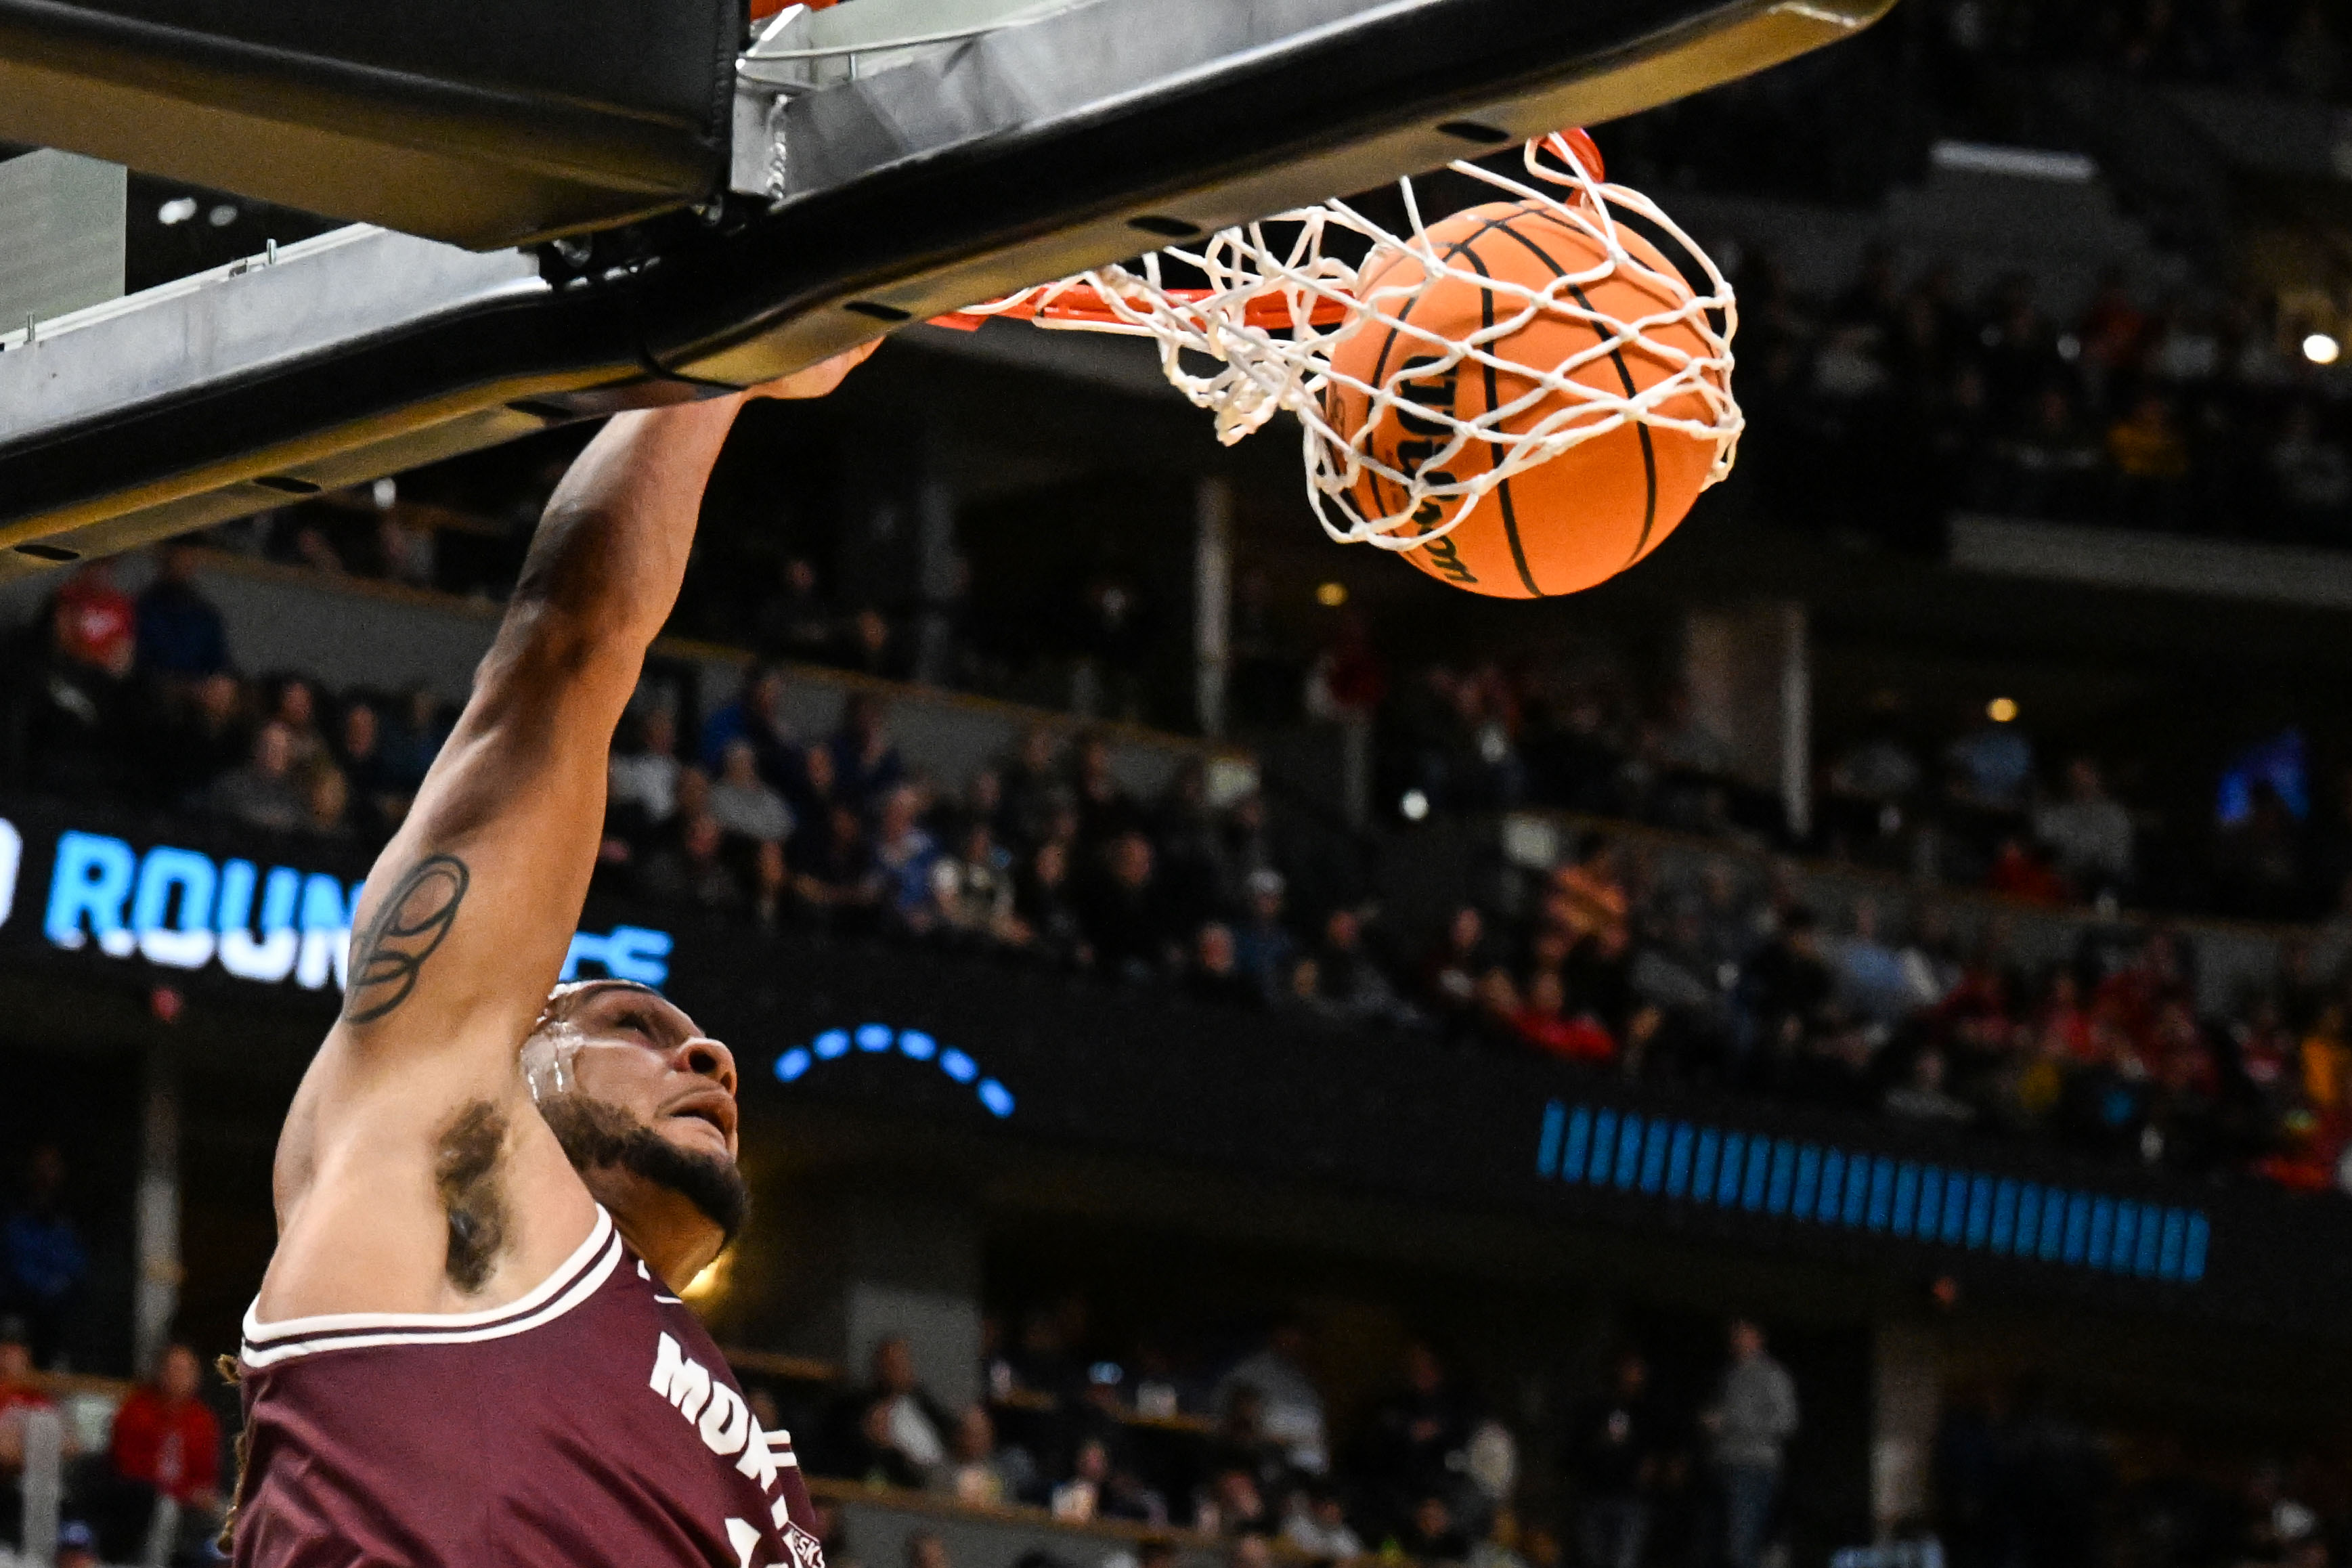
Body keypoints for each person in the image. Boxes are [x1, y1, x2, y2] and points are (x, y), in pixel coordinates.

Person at [225, 345, 873, 1566]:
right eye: (632, 1023)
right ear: (510, 1064)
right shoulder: (428, 1145)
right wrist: (732, 359)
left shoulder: (733, 1451)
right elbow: (564, 654)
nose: (709, 1052)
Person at [103, 1342, 224, 1559]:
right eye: (174, 1369)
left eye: (187, 1370)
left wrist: (202, 1494)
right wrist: (183, 1492)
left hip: (190, 1503)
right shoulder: (135, 1410)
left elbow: (206, 1474)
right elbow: (128, 1469)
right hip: (141, 1500)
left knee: (234, 1514)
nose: (180, 1377)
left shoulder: (203, 1419)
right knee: (165, 1507)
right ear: (160, 1372)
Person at [1701, 1321, 1798, 1568]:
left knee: (1742, 1543)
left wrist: (1732, 1422)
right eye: (1733, 1335)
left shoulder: (1773, 1375)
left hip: (1754, 1466)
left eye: (1742, 1334)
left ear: (1758, 1337)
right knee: (1718, 1543)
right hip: (1723, 1465)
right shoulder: (1728, 1375)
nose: (1736, 1340)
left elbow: (1787, 1422)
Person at [1568, 1353, 1660, 1568]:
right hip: (1595, 1495)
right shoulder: (1595, 1407)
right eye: (1631, 1370)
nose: (1636, 1377)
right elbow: (1576, 1448)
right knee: (1594, 1560)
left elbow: (1656, 1447)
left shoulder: (1645, 1410)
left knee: (1624, 1560)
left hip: (1631, 1498)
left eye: (1639, 1371)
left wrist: (1651, 1468)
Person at [2, 1146, 87, 1366]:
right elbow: (18, 1264)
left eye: (53, 1167)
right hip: (22, 1305)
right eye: (42, 1168)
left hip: (59, 1312)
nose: (48, 1175)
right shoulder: (16, 1215)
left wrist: (60, 1287)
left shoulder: (68, 1217)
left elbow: (76, 1263)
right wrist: (44, 1287)